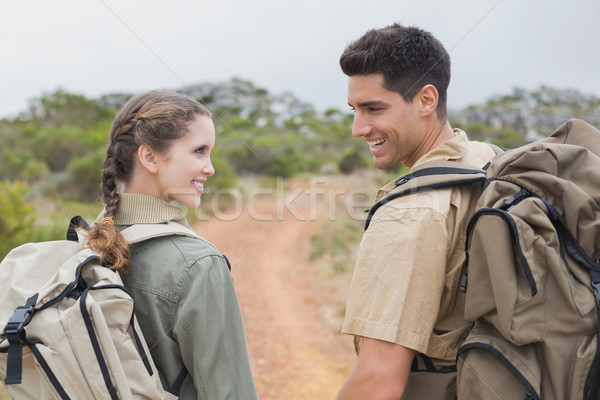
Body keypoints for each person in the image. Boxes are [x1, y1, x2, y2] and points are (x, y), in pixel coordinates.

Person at [335, 24, 498, 399]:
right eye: (354, 110)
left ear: (426, 100)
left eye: (374, 108)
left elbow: (378, 379)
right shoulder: (488, 158)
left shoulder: (408, 213)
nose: (358, 128)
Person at [86, 90, 258, 399]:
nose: (210, 167)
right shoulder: (198, 266)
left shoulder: (85, 246)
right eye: (199, 151)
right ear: (149, 157)